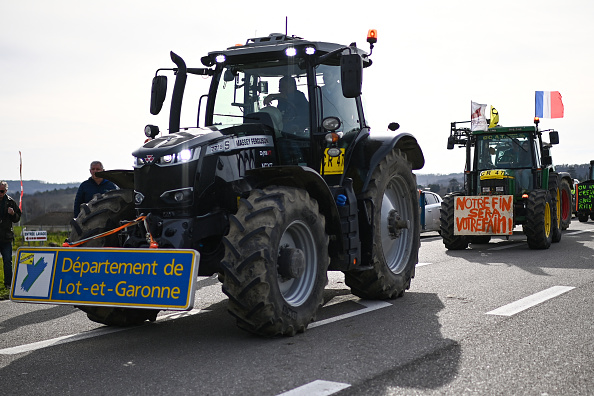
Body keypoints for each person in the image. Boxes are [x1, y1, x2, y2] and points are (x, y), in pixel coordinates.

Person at [0, 181, 21, 290]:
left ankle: (8, 284)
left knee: (7, 261)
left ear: (6, 191)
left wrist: (13, 214)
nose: (0, 193)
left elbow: (18, 217)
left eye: (2, 191)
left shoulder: (10, 202)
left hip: (6, 237)